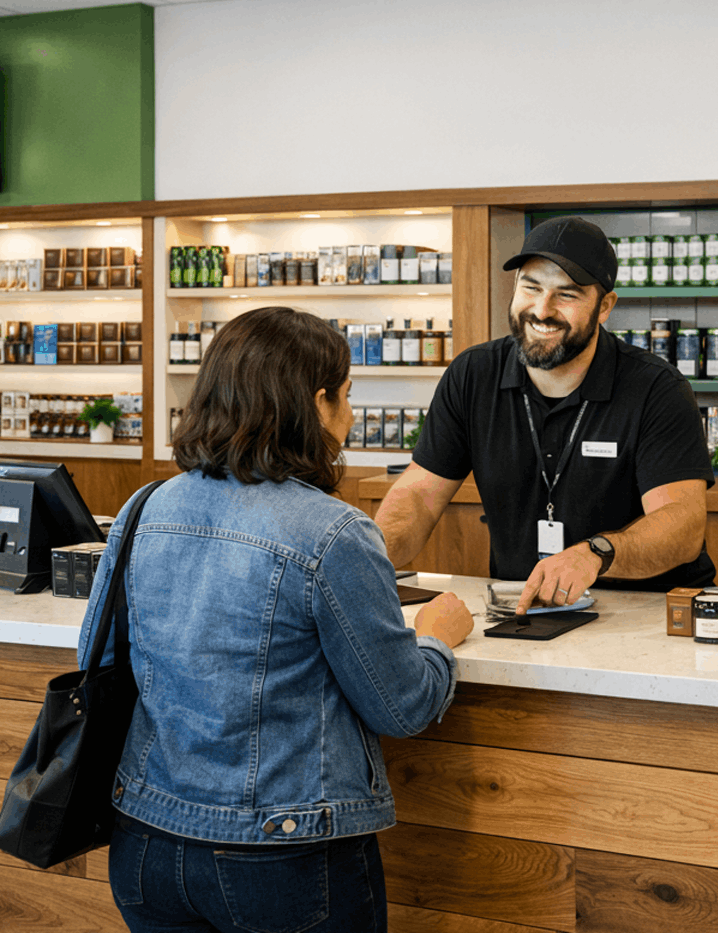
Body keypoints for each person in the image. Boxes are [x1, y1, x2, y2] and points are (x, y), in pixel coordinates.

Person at [79, 305, 473, 933]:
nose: (350, 415)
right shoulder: (333, 531)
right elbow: (401, 706)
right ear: (317, 405)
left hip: (145, 842)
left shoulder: (143, 506)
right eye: (346, 397)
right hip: (284, 855)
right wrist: (437, 641)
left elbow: (95, 663)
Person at [375, 216, 716, 613]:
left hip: (647, 610)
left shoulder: (656, 388)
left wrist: (595, 553)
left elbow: (682, 523)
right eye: (530, 287)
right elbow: (418, 496)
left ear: (605, 306)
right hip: (523, 605)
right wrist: (367, 559)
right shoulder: (473, 374)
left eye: (566, 295)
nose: (542, 309)